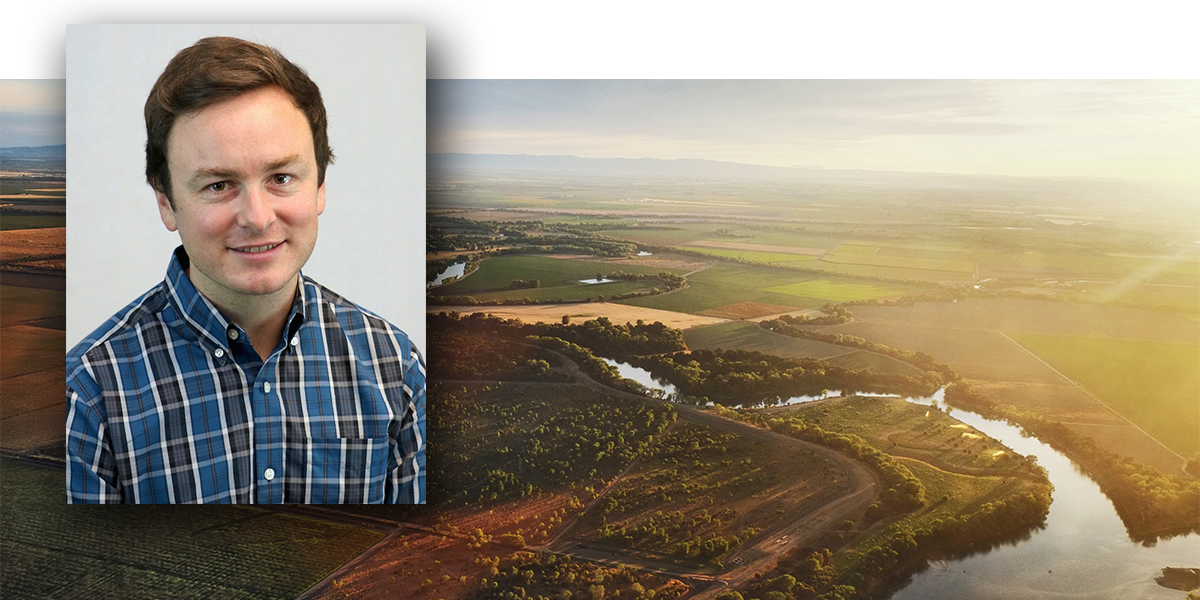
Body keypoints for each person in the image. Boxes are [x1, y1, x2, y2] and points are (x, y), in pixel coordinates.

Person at [65, 36, 425, 504]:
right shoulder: (88, 395)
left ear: (319, 187)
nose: (256, 217)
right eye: (218, 184)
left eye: (281, 178)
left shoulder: (394, 368)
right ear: (166, 203)